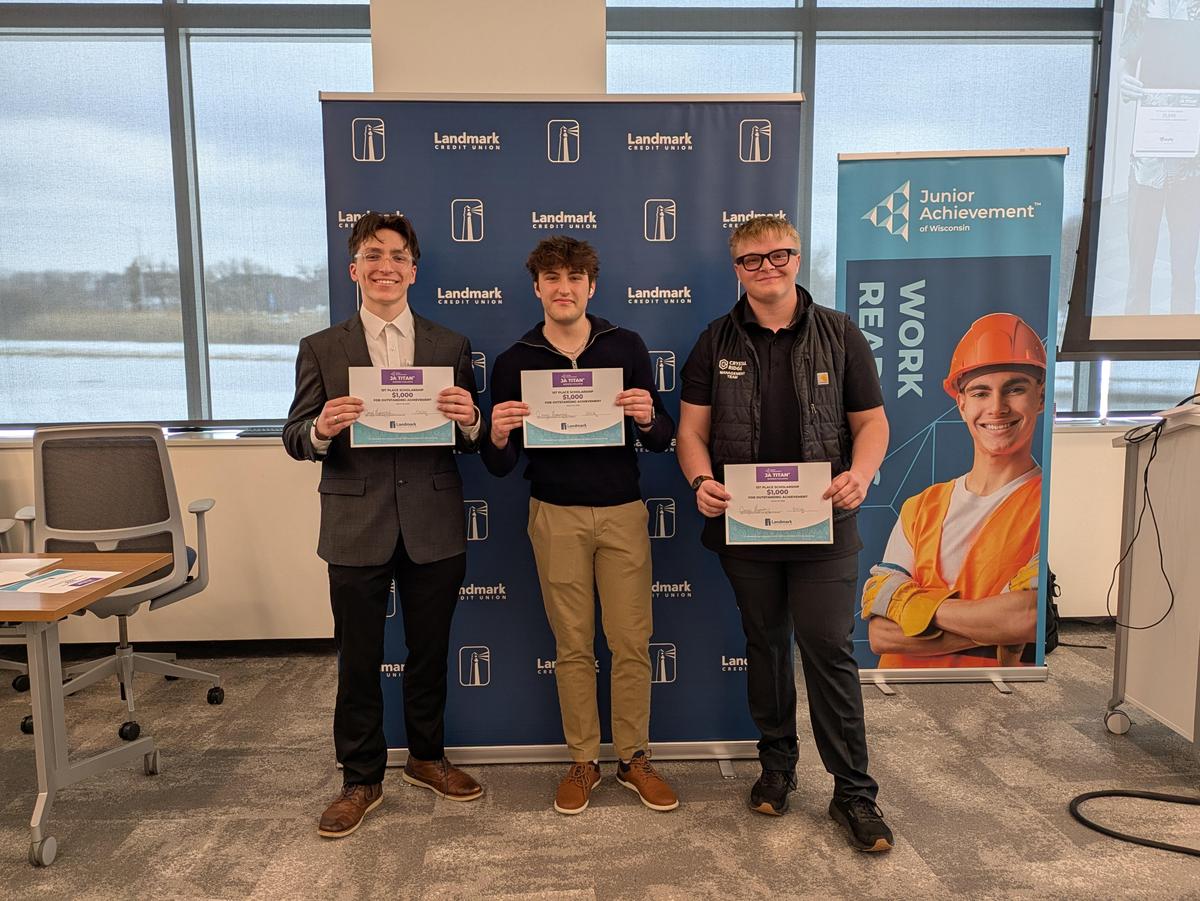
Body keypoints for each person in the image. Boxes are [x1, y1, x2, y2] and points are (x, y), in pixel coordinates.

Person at [676, 215, 893, 852]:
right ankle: (777, 766)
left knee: (828, 647)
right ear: (736, 269)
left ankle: (853, 791)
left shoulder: (840, 333)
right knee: (766, 645)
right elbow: (691, 432)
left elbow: (872, 423)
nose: (767, 267)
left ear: (797, 259)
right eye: (752, 259)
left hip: (825, 522)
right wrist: (699, 481)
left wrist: (861, 474)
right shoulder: (714, 340)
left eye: (779, 255)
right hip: (745, 524)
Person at [283, 212, 485, 839]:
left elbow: (472, 440)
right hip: (355, 523)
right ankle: (360, 777)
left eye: (398, 256)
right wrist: (320, 429)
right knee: (359, 659)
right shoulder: (322, 347)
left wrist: (471, 420)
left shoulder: (450, 345)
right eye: (373, 255)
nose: (385, 266)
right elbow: (294, 436)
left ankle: (426, 757)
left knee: (429, 653)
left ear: (413, 271)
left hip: (433, 522)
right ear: (354, 269)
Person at [481, 235, 679, 815]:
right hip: (554, 513)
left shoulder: (626, 345)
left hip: (622, 512)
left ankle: (634, 758)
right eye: (552, 278)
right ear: (536, 288)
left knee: (631, 641)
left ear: (592, 287)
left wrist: (648, 417)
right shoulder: (514, 361)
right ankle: (584, 759)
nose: (563, 288)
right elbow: (499, 465)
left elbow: (663, 437)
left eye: (574, 278)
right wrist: (497, 433)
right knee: (572, 644)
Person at [861, 312, 1045, 670]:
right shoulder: (920, 508)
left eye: (1015, 388)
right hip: (900, 694)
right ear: (961, 404)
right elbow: (881, 635)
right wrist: (996, 628)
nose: (997, 407)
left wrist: (911, 606)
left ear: (1039, 398)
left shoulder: (1047, 505)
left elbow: (1026, 618)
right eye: (980, 392)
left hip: (995, 696)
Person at [1119, 0, 1200, 315]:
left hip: (1191, 161)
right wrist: (1125, 81)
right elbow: (1127, 62)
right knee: (1138, 268)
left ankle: (1183, 337)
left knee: (1185, 268)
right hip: (1147, 158)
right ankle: (1132, 336)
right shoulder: (1142, 5)